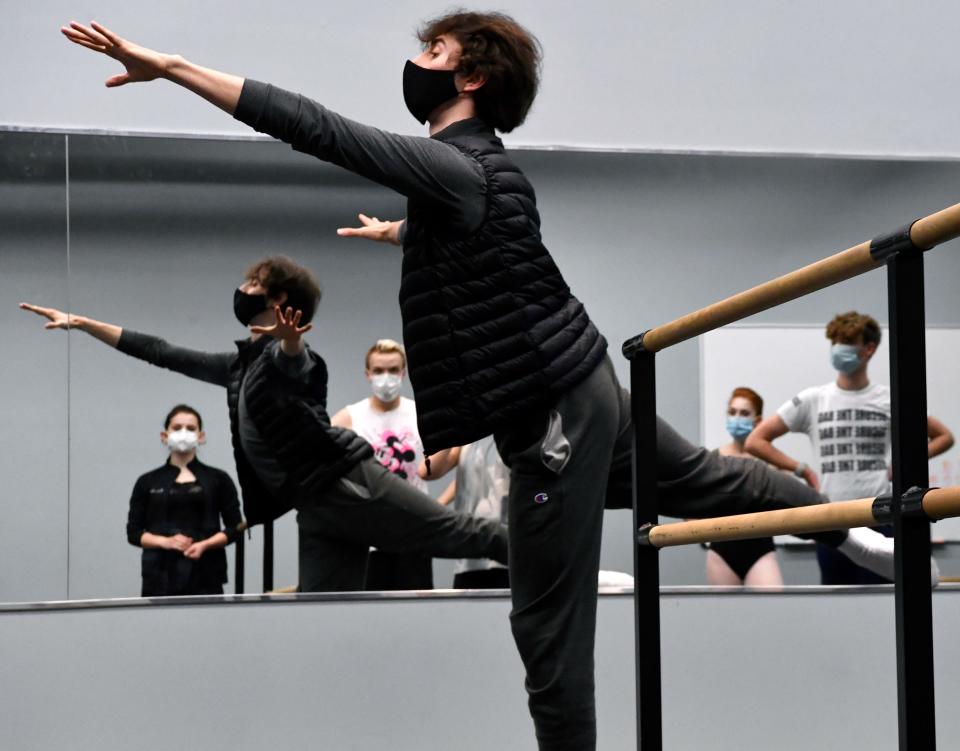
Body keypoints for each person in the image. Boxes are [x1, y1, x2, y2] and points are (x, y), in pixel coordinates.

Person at [58, 19, 928, 750]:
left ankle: (858, 534)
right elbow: (500, 256)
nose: (416, 59)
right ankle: (857, 531)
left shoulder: (458, 166)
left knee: (546, 628)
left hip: (551, 407)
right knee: (708, 478)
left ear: (470, 75)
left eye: (432, 48)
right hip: (579, 374)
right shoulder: (478, 176)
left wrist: (172, 67)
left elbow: (318, 127)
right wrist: (409, 237)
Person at [21, 255, 507, 594]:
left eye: (252, 282)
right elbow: (162, 352)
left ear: (278, 300)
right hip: (315, 507)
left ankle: (554, 550)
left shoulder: (285, 355)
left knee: (454, 531)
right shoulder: (240, 364)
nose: (242, 288)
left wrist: (291, 342)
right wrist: (84, 323)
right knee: (326, 607)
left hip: (347, 483)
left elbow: (296, 365)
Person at [747, 311, 955, 584]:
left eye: (846, 342)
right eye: (835, 341)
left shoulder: (888, 399)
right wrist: (800, 468)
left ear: (868, 349)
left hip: (883, 518)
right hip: (833, 521)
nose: (838, 349)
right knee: (839, 606)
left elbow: (943, 436)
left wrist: (902, 464)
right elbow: (756, 441)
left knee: (890, 605)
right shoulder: (814, 399)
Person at [331, 339, 434, 590]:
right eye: (378, 371)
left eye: (392, 370)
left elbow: (446, 461)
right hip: (368, 537)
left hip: (414, 532)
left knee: (417, 616)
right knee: (368, 615)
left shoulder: (421, 414)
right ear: (368, 373)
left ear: (403, 372)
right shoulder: (349, 417)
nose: (385, 377)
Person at [127, 404, 242, 596]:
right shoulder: (147, 481)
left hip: (207, 574)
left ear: (201, 436)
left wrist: (204, 545)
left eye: (190, 429)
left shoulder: (218, 479)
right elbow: (134, 533)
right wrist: (166, 542)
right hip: (159, 575)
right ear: (164, 436)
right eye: (177, 428)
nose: (183, 433)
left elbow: (235, 528)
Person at [706, 388, 784, 587]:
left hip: (760, 549)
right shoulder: (714, 459)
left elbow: (791, 500)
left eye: (744, 413)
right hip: (722, 551)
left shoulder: (769, 461)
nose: (737, 418)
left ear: (757, 420)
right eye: (732, 412)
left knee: (773, 609)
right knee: (724, 615)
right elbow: (692, 502)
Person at [421, 436, 511, 589]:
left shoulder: (517, 432)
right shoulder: (469, 437)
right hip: (470, 557)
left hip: (509, 555)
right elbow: (427, 470)